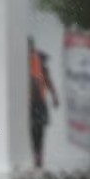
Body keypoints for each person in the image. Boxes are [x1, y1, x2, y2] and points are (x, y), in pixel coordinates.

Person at [29, 39, 59, 170]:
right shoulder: (28, 61)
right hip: (33, 102)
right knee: (35, 130)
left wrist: (54, 96)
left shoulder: (38, 61)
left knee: (37, 130)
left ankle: (38, 155)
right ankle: (37, 155)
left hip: (37, 102)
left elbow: (47, 79)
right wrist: (54, 97)